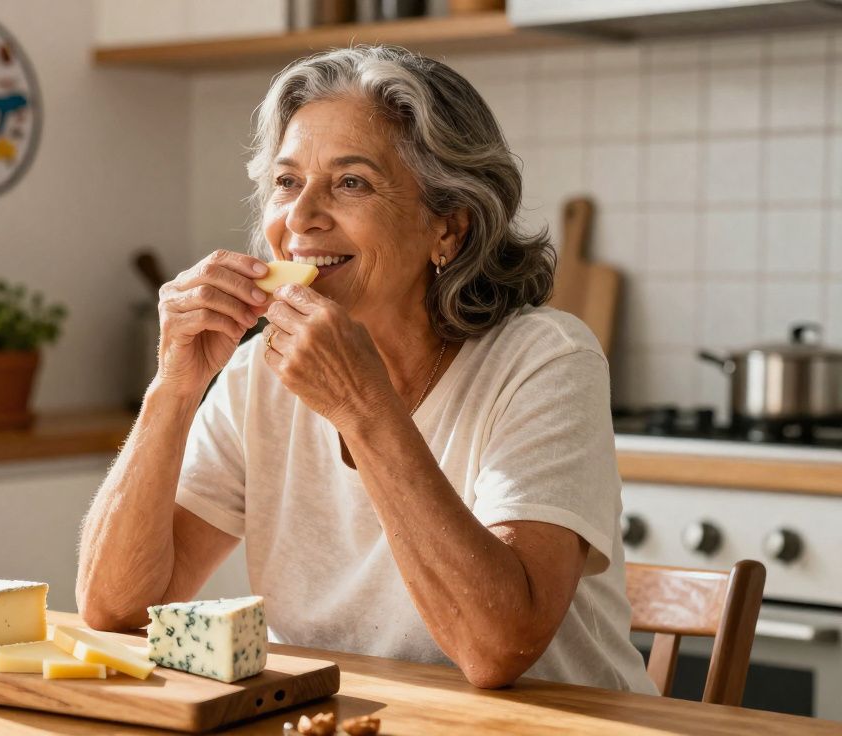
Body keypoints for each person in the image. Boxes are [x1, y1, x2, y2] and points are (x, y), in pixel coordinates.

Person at [76, 46, 655, 693]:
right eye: (287, 182)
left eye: (350, 182)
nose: (300, 219)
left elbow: (497, 648)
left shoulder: (545, 360)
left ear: (449, 229)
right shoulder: (255, 377)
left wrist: (362, 406)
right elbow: (118, 612)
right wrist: (174, 386)